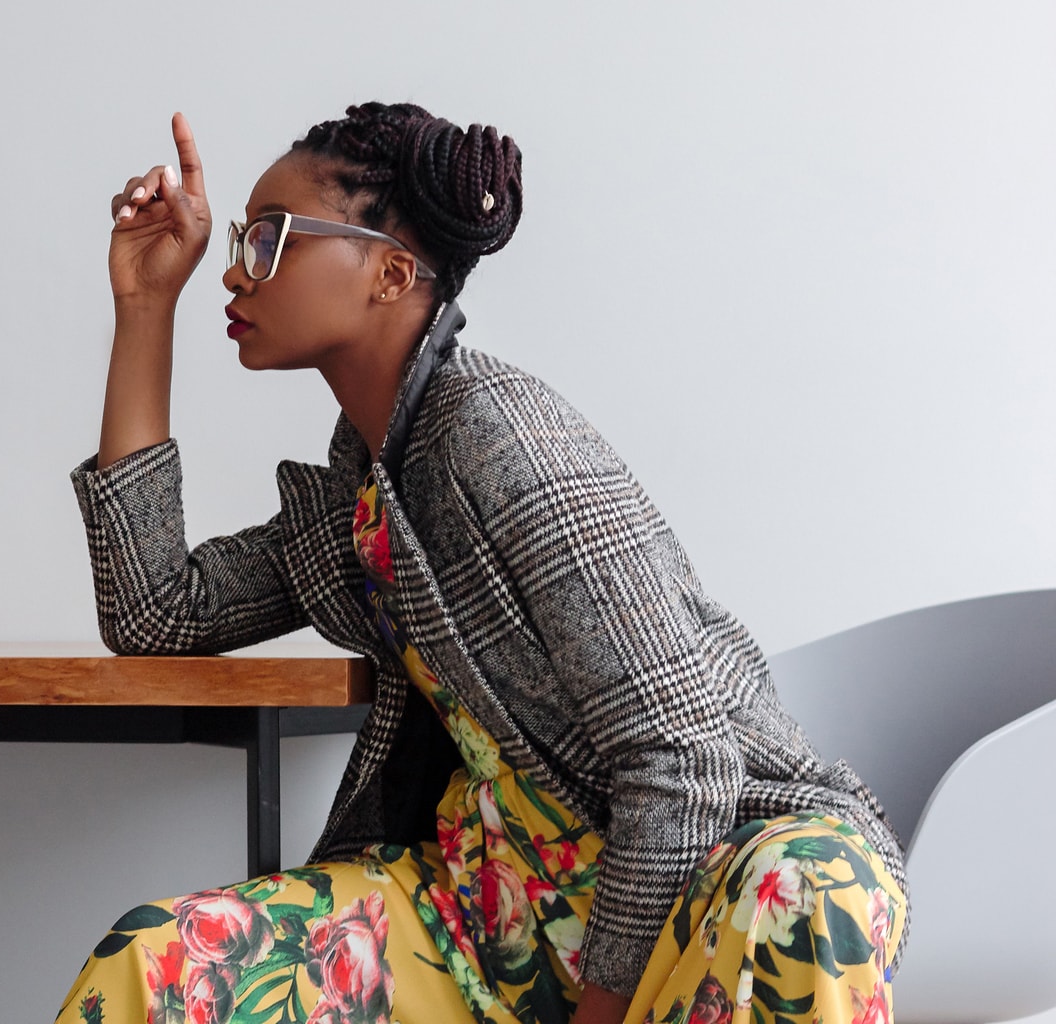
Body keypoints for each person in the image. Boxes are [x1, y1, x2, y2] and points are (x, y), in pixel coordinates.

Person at [59, 102, 907, 1024]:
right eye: (239, 239)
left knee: (809, 893)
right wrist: (146, 306)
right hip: (490, 920)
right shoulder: (367, 492)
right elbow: (155, 610)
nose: (234, 268)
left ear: (389, 273)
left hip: (697, 897)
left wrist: (603, 1004)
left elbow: (683, 758)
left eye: (270, 239)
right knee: (158, 966)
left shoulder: (500, 434)